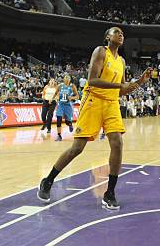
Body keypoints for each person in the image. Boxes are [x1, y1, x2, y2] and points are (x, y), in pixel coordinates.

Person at [37, 27, 151, 210]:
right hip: (93, 100)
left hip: (111, 103)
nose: (120, 34)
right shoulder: (100, 51)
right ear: (107, 37)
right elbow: (92, 80)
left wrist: (138, 83)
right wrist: (120, 85)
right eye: (116, 32)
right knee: (77, 148)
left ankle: (110, 192)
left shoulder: (121, 61)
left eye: (122, 33)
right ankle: (48, 180)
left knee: (117, 142)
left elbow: (121, 89)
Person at [53, 74, 79, 141]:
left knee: (67, 122)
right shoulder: (60, 85)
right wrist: (53, 98)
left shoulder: (72, 86)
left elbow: (77, 96)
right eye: (66, 78)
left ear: (70, 79)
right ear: (64, 79)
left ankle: (70, 124)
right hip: (60, 105)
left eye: (68, 78)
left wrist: (71, 97)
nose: (67, 79)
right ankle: (59, 135)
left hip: (68, 106)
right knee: (59, 119)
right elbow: (55, 93)